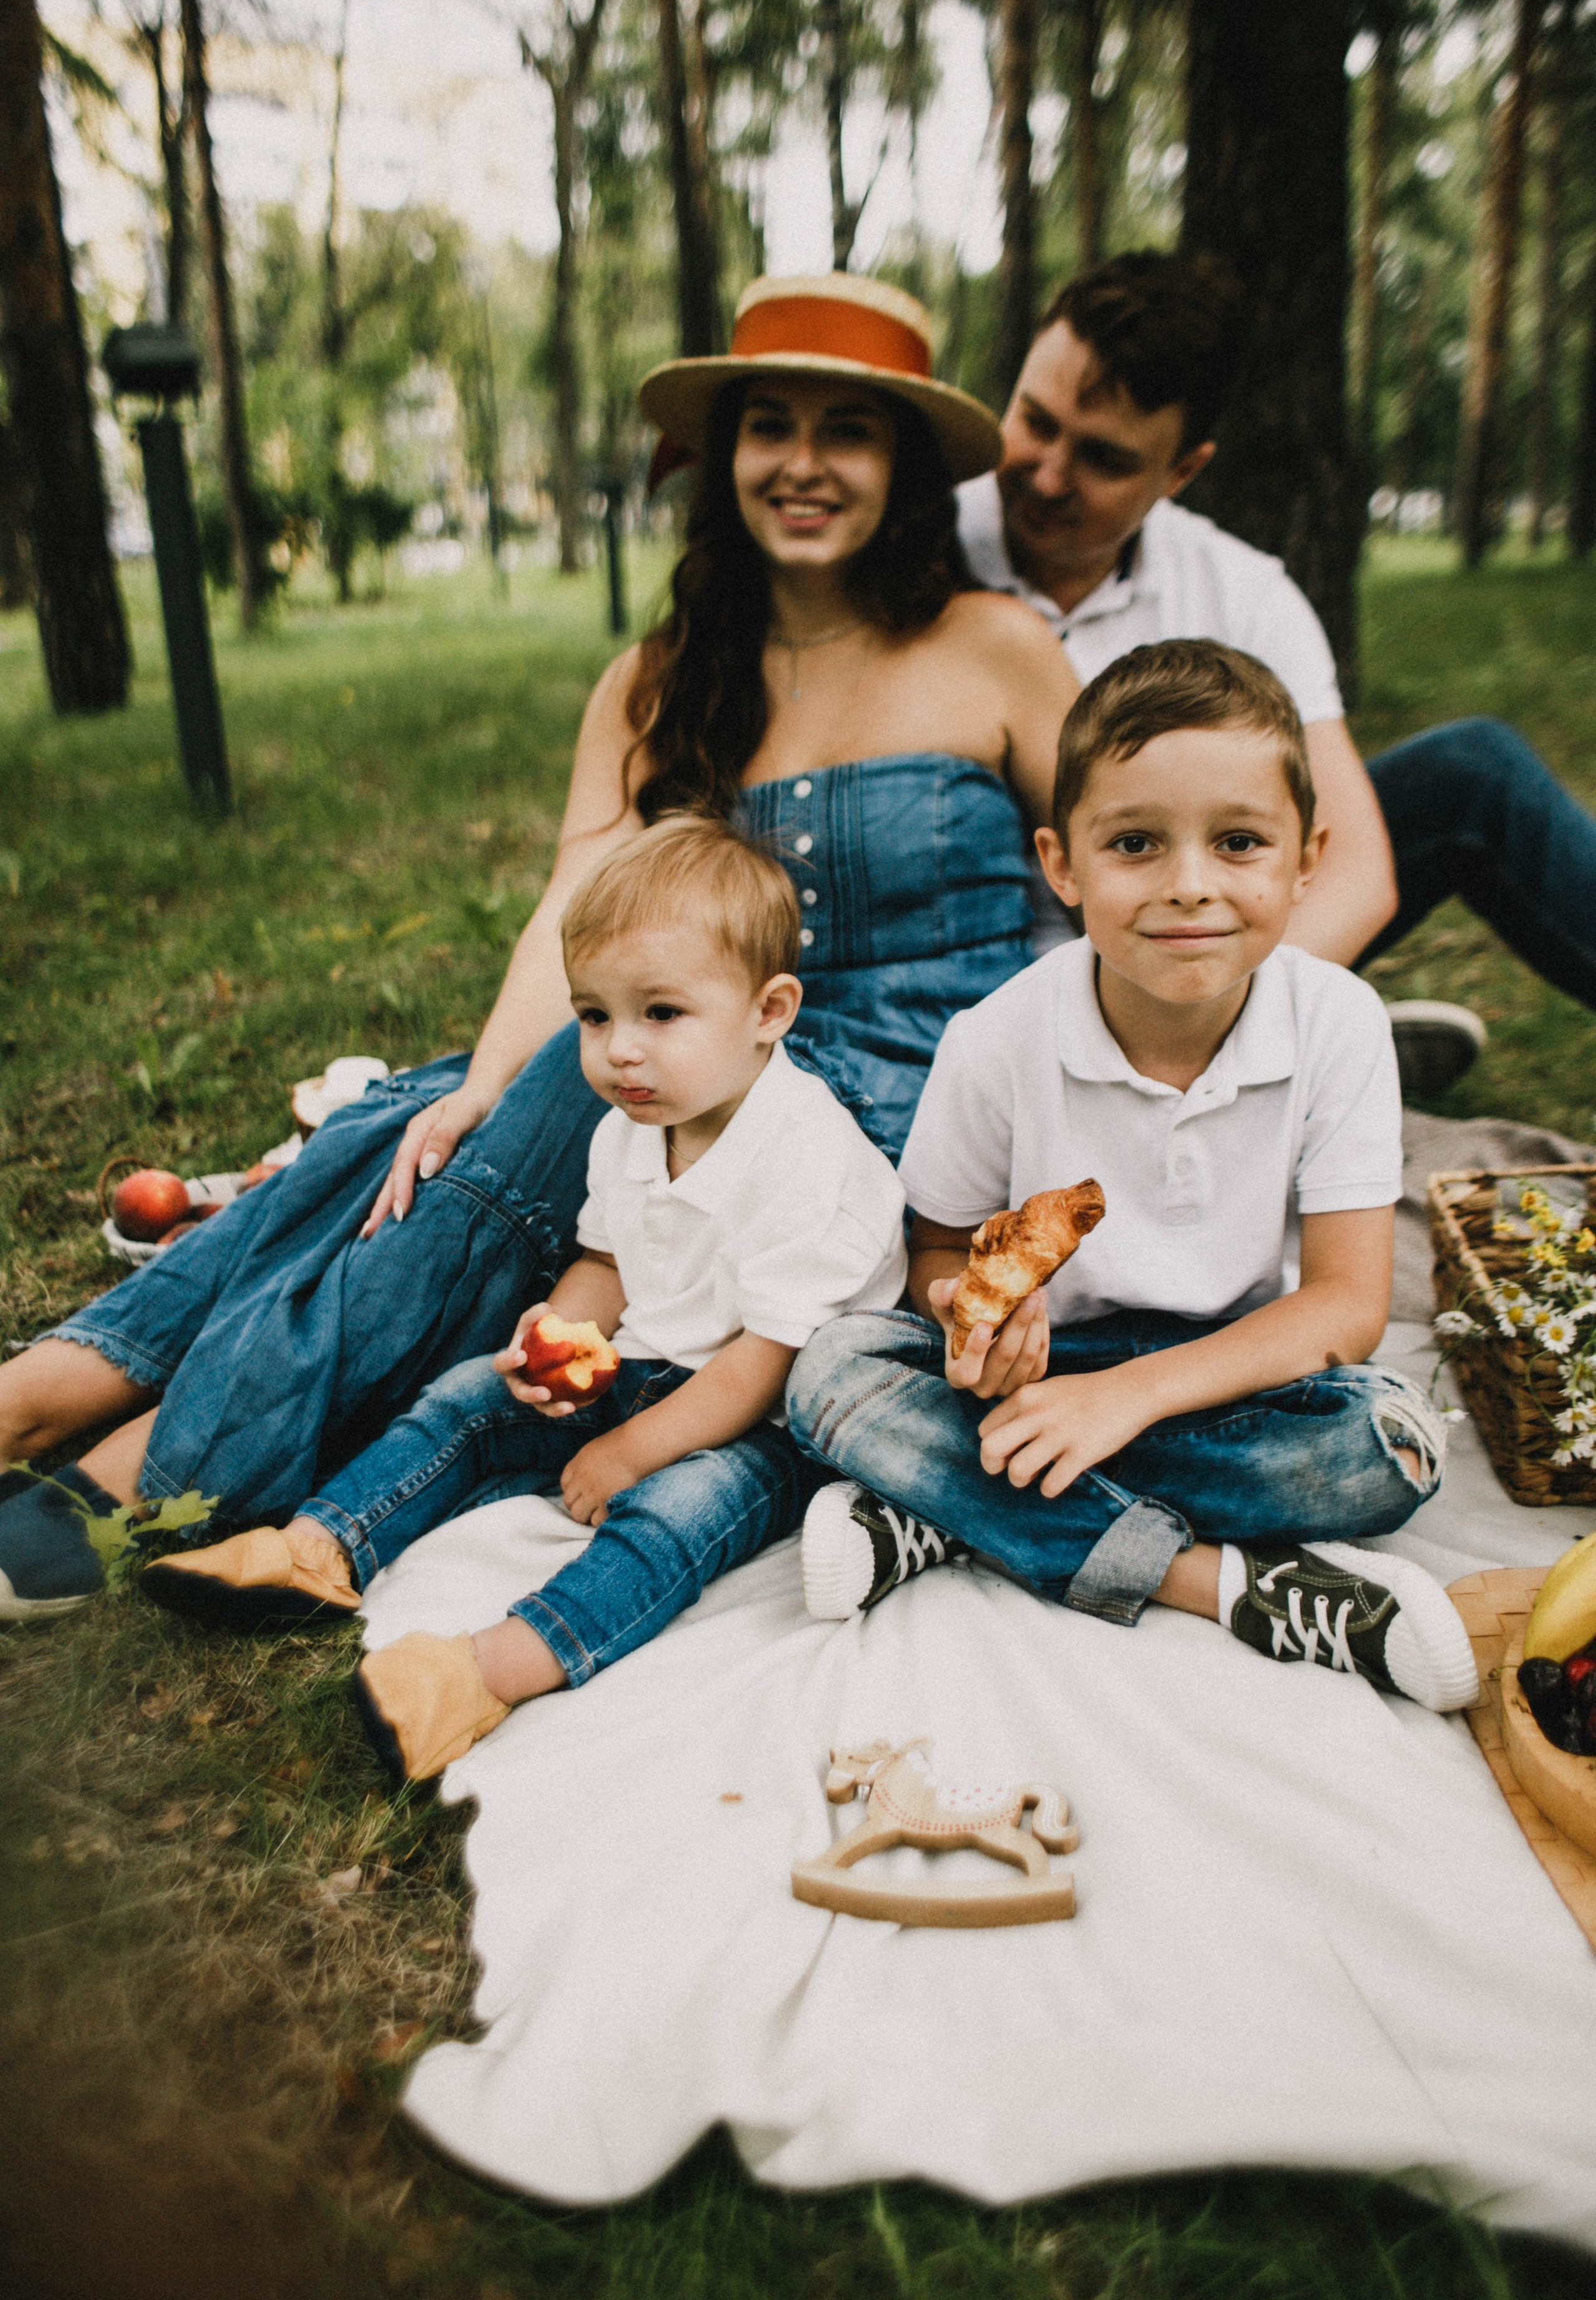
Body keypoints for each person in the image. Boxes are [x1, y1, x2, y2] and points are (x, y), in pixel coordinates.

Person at [0, 270, 1078, 1620]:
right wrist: (479, 1080)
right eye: (769, 425)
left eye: (846, 430)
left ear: (903, 465)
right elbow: (582, 894)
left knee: (553, 1097)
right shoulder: (661, 673)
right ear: (723, 454)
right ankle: (65, 1394)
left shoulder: (997, 651)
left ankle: (149, 1453)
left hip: (888, 1122)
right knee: (417, 1123)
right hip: (691, 1052)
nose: (802, 464)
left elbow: (1112, 874)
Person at [787, 639, 1478, 1716]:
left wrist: (1125, 1401)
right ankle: (1224, 1586)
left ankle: (952, 1507)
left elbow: (1347, 1306)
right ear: (1063, 866)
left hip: (1233, 1378)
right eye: (1138, 844)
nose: (1189, 887)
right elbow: (935, 1248)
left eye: (1240, 842)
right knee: (832, 1374)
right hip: (1049, 1364)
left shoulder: (1339, 1024)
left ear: (1306, 862)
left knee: (1394, 1446)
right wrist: (974, 1319)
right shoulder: (999, 1038)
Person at [140, 821, 908, 1782]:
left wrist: (633, 1447)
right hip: (660, 1366)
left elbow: (765, 1361)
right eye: (594, 1016)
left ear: (770, 1010)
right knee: (469, 1398)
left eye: (661, 1014)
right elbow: (608, 1261)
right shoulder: (637, 1123)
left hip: (775, 1414)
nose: (620, 1051)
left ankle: (490, 1668)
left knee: (682, 1507)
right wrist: (560, 1334)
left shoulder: (808, 1157)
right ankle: (316, 1546)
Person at [959, 250, 1596, 1095]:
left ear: (1182, 471)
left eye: (1104, 460)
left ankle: (1283, 1044)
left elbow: (1359, 870)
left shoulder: (1239, 590)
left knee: (1474, 772)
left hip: (1195, 954)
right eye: (1035, 422)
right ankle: (1312, 1050)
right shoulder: (915, 538)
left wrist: (1205, 1016)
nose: (1045, 475)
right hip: (989, 953)